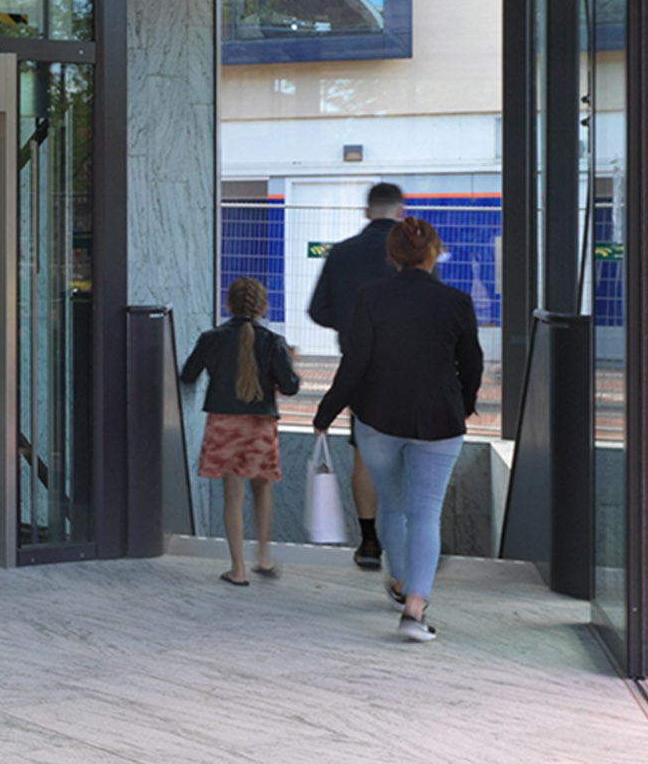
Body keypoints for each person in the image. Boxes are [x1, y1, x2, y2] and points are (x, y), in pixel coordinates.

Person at [313, 217, 483, 643]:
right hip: (440, 422)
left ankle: (400, 580)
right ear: (432, 254)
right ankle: (414, 609)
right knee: (426, 511)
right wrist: (462, 406)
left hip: (377, 419)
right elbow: (473, 364)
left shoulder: (371, 298)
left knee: (391, 503)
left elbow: (355, 363)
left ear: (392, 256)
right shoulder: (457, 302)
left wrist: (326, 412)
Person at [307, 182, 407, 569]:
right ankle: (408, 541)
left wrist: (349, 326)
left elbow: (318, 310)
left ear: (368, 211)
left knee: (364, 451)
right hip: (408, 366)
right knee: (410, 452)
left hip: (359, 368)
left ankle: (369, 543)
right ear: (400, 211)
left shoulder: (342, 253)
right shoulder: (406, 254)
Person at [182, 277, 302, 586]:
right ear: (263, 308)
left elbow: (188, 374)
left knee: (232, 497)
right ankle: (263, 557)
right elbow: (289, 387)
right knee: (262, 489)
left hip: (224, 423)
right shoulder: (274, 342)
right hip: (260, 425)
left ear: (228, 305)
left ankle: (237, 569)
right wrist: (291, 363)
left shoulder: (211, 338)